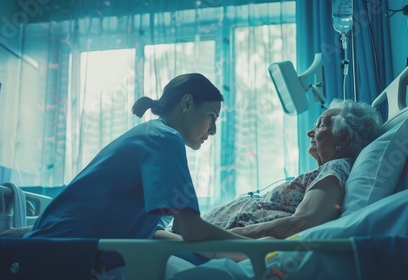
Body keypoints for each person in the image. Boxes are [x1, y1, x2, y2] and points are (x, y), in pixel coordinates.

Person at [25, 73, 249, 246]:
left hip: (57, 245)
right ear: (187, 103)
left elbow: (152, 232)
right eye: (212, 116)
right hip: (59, 253)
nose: (214, 130)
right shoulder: (165, 139)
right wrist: (258, 248)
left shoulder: (153, 134)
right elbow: (192, 229)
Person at [197, 98, 382, 239]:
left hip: (213, 240)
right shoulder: (329, 171)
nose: (310, 132)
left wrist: (232, 235)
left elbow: (304, 222)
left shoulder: (335, 168)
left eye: (320, 125)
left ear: (343, 138)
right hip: (204, 234)